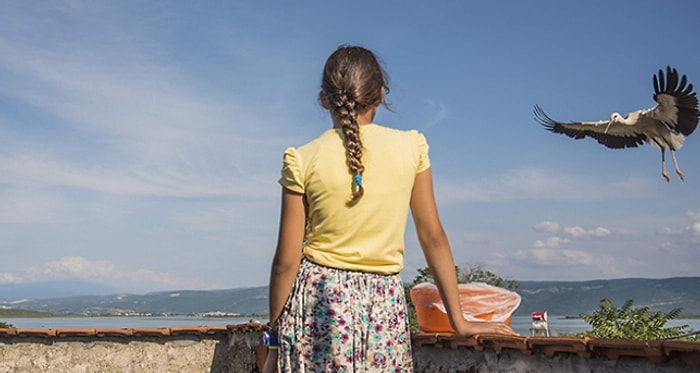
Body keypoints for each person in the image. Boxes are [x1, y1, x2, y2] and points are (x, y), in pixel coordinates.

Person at [264, 45, 517, 373]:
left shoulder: (301, 158)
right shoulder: (412, 146)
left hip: (318, 302)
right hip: (383, 303)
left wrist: (273, 339)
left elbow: (286, 263)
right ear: (381, 95)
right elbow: (433, 236)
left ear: (325, 98)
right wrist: (460, 320)